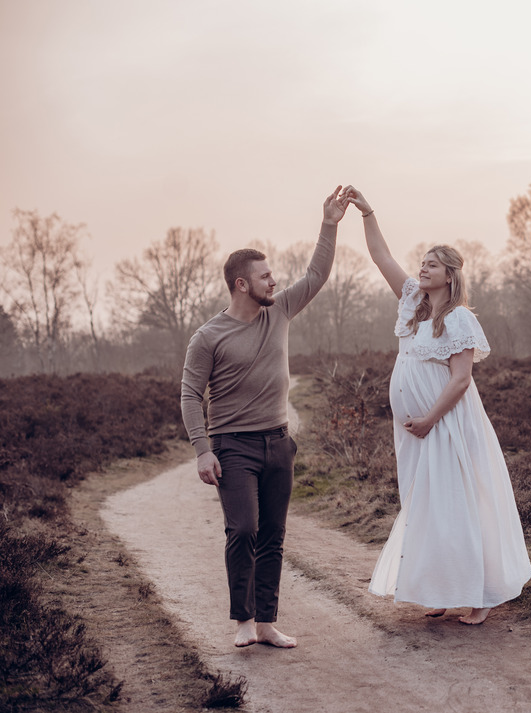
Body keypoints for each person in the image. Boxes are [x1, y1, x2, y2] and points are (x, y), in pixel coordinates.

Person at [344, 186, 531, 625]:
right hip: (415, 429)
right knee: (427, 506)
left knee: (457, 504)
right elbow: (381, 257)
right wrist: (367, 212)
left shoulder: (460, 318)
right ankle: (445, 589)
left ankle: (482, 596)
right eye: (422, 263)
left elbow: (462, 378)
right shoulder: (413, 306)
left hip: (446, 424)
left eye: (431, 264)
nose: (421, 268)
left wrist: (430, 418)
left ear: (448, 275)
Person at [181, 186, 351, 648]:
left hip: (279, 442)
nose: (274, 282)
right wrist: (202, 451)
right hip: (233, 446)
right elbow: (190, 395)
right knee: (244, 530)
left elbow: (317, 274)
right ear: (242, 284)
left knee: (273, 535)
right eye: (266, 276)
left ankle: (266, 623)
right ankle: (242, 620)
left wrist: (329, 224)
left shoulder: (281, 313)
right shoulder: (207, 337)